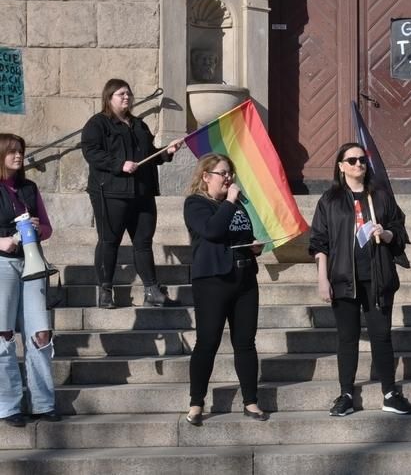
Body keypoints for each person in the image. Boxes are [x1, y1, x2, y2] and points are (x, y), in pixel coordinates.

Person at [309, 143, 411, 417]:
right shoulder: (329, 200)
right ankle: (346, 393)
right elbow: (319, 242)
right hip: (344, 278)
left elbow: (399, 229)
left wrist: (388, 233)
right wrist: (323, 278)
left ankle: (390, 393)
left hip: (377, 277)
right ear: (341, 166)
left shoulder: (379, 196)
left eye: (362, 160)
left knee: (381, 336)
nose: (359, 164)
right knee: (347, 338)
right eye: (352, 160)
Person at [81, 78, 183, 309]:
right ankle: (106, 290)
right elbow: (91, 153)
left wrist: (167, 152)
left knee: (143, 243)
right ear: (109, 98)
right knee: (109, 241)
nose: (126, 97)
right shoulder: (98, 124)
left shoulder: (139, 125)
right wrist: (120, 164)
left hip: (142, 193)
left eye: (128, 94)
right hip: (111, 193)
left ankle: (152, 291)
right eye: (120, 94)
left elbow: (150, 155)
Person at [183, 154, 267, 425]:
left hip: (244, 279)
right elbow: (212, 231)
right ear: (206, 176)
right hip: (212, 281)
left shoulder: (238, 205)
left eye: (230, 173)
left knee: (245, 342)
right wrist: (230, 201)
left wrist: (255, 245)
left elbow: (242, 234)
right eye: (223, 173)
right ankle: (197, 403)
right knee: (207, 342)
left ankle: (251, 401)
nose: (229, 178)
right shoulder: (195, 204)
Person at [0, 133, 59, 427]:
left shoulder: (29, 188)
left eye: (21, 151)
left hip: (32, 262)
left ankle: (43, 402)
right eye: (12, 151)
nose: (19, 156)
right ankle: (8, 405)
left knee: (40, 333)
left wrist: (38, 226)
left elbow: (48, 228)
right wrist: (1, 242)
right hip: (2, 264)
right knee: (4, 335)